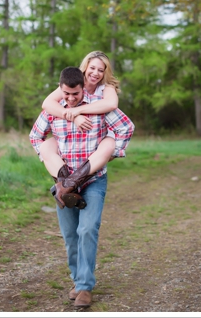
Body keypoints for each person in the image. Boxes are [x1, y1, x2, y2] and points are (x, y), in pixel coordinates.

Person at [29, 66, 134, 308]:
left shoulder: (98, 107)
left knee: (87, 230)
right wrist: (45, 153)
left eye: (75, 94)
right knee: (70, 235)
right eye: (66, 94)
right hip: (63, 181)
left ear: (81, 89)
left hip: (94, 180)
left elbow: (126, 127)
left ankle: (85, 287)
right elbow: (35, 136)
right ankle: (77, 281)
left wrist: (113, 152)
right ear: (61, 89)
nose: (70, 98)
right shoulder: (54, 110)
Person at [37, 51, 124, 204]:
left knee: (109, 143)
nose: (95, 73)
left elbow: (111, 104)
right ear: (85, 67)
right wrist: (72, 116)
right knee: (46, 146)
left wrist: (79, 110)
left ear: (105, 73)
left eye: (101, 70)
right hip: (71, 132)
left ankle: (65, 187)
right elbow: (47, 103)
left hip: (97, 137)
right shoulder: (73, 82)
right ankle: (66, 187)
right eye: (92, 68)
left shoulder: (106, 88)